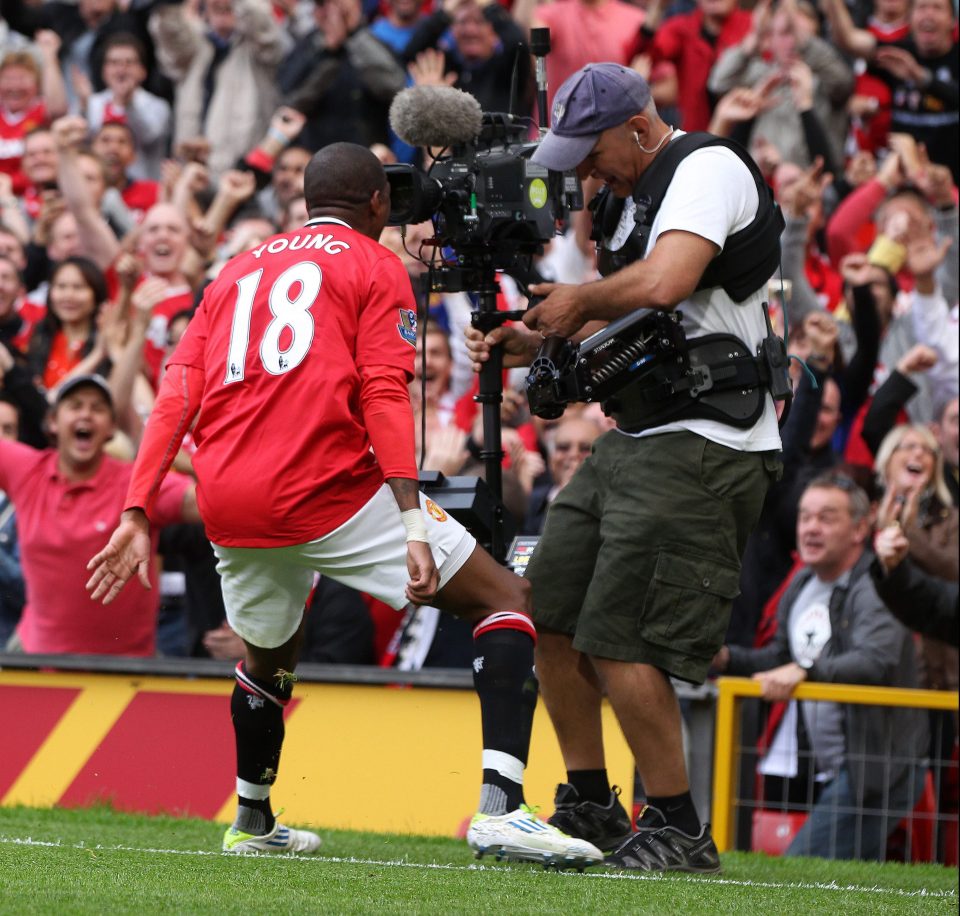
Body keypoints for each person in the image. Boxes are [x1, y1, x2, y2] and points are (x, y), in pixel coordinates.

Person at [86, 142, 602, 867]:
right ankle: (501, 810)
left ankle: (253, 819)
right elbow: (385, 395)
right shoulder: (373, 262)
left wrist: (137, 509)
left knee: (268, 658)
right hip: (328, 487)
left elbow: (177, 392)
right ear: (378, 205)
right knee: (507, 599)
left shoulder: (235, 268)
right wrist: (413, 520)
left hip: (230, 498)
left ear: (303, 202)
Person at [467, 62, 783, 871]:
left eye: (591, 152)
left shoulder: (705, 168)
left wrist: (578, 300)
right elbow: (638, 315)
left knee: (622, 633)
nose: (582, 172)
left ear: (640, 128)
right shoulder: (628, 196)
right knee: (553, 605)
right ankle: (590, 801)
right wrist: (539, 338)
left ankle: (675, 824)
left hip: (709, 438)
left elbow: (670, 281)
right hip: (638, 435)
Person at [713, 474, 928, 860]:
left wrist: (808, 671)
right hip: (830, 766)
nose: (811, 528)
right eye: (805, 517)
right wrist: (726, 659)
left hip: (877, 766)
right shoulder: (801, 583)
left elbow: (874, 660)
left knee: (799, 870)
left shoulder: (876, 585)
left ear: (860, 528)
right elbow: (782, 658)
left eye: (826, 517)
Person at [0, 374, 198, 655]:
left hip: (126, 673)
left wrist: (192, 462)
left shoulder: (137, 484)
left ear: (111, 428)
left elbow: (205, 503)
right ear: (53, 422)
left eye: (97, 408)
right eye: (76, 405)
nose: (86, 414)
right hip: (36, 660)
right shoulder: (26, 470)